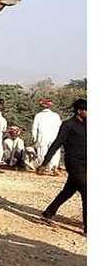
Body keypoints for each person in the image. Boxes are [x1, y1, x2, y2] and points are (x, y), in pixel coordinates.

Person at [37, 98, 86, 234]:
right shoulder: (68, 125)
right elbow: (56, 144)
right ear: (80, 111)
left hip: (87, 163)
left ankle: (48, 213)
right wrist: (44, 163)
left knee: (68, 190)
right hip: (74, 163)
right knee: (87, 191)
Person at [32, 98, 63, 173]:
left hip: (42, 137)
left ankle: (43, 167)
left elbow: (34, 128)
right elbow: (60, 127)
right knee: (54, 152)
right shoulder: (56, 115)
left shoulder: (38, 116)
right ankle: (54, 167)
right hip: (54, 136)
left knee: (42, 151)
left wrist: (34, 138)